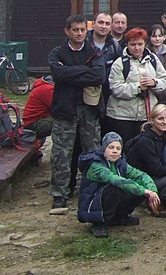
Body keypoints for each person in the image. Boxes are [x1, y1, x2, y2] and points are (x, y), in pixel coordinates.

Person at [48, 14, 106, 212]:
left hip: (89, 109)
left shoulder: (94, 51)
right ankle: (60, 194)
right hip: (64, 109)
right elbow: (57, 74)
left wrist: (70, 73)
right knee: (61, 154)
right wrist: (83, 72)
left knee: (93, 151)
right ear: (67, 31)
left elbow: (98, 76)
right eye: (75, 30)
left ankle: (92, 189)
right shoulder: (57, 53)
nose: (80, 33)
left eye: (82, 30)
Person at [77, 132, 160, 238]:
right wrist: (144, 191)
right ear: (103, 148)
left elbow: (140, 175)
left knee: (139, 188)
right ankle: (99, 223)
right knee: (115, 188)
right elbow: (114, 179)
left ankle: (120, 216)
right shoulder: (96, 165)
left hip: (111, 196)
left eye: (118, 148)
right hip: (94, 202)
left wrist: (152, 190)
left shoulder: (121, 163)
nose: (115, 151)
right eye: (111, 147)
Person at [124, 104, 166, 216]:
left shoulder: (165, 136)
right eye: (160, 118)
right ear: (152, 120)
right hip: (145, 180)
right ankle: (156, 201)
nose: (165, 122)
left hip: (157, 177)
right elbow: (157, 170)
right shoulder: (145, 141)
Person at [105, 28, 166, 145]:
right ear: (127, 45)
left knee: (143, 149)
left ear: (145, 44)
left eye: (140, 44)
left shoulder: (153, 59)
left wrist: (154, 82)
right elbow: (116, 88)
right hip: (122, 116)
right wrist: (138, 87)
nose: (137, 48)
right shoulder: (120, 63)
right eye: (133, 44)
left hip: (146, 115)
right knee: (124, 148)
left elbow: (165, 80)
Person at [87, 12, 121, 104]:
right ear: (93, 24)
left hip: (107, 93)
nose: (104, 26)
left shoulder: (114, 45)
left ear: (111, 27)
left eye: (107, 24)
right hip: (86, 91)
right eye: (100, 22)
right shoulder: (84, 41)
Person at [22, 75, 55, 141]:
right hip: (33, 124)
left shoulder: (44, 86)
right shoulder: (47, 89)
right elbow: (58, 107)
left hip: (35, 121)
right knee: (63, 121)